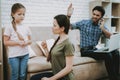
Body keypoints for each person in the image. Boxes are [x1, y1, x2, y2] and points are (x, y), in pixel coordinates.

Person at [67, 3, 119, 80]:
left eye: (97, 15)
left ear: (101, 17)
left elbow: (111, 37)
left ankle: (116, 76)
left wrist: (102, 28)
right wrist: (68, 16)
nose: (94, 16)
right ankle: (113, 78)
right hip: (85, 50)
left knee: (116, 52)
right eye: (94, 14)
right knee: (108, 55)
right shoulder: (84, 23)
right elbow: (69, 26)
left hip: (95, 49)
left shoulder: (101, 26)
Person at [30, 14, 75, 80]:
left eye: (54, 25)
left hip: (65, 78)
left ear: (62, 28)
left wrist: (50, 79)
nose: (52, 27)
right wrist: (45, 48)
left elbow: (68, 68)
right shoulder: (58, 40)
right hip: (56, 74)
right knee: (34, 78)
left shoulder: (68, 44)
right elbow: (52, 60)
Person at [3, 3, 32, 80]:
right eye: (19, 14)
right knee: (15, 76)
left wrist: (26, 42)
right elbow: (5, 42)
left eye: (23, 14)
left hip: (25, 55)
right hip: (14, 56)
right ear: (13, 14)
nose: (22, 16)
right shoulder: (9, 27)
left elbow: (30, 41)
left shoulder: (26, 27)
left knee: (22, 75)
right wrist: (18, 43)